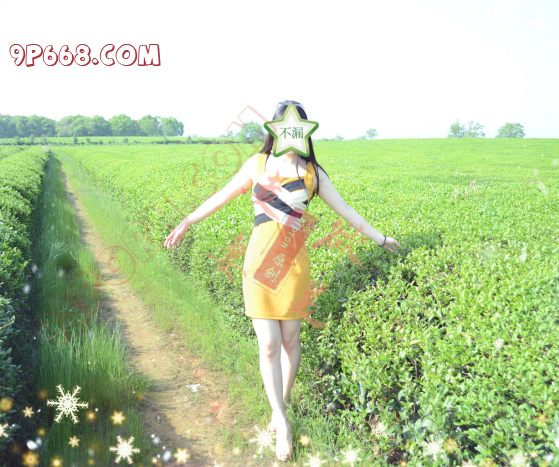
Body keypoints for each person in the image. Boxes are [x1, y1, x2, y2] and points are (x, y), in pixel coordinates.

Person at [164, 100, 401, 462]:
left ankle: (280, 406)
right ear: (274, 131)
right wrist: (187, 221)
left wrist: (380, 238)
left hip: (293, 265)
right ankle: (283, 423)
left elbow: (346, 210)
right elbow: (222, 195)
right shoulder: (257, 165)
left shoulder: (312, 174)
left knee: (290, 340)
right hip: (259, 265)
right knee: (269, 344)